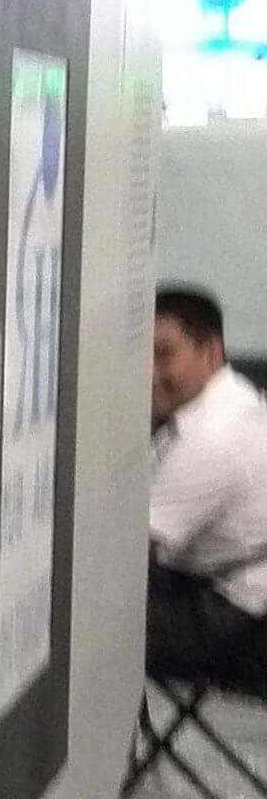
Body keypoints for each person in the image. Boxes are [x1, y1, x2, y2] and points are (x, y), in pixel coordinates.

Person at [147, 284, 267, 678]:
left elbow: (128, 551)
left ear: (211, 352)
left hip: (234, 614)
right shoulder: (232, 400)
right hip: (217, 581)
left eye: (164, 355)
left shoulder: (214, 436)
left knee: (82, 625)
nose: (149, 373)